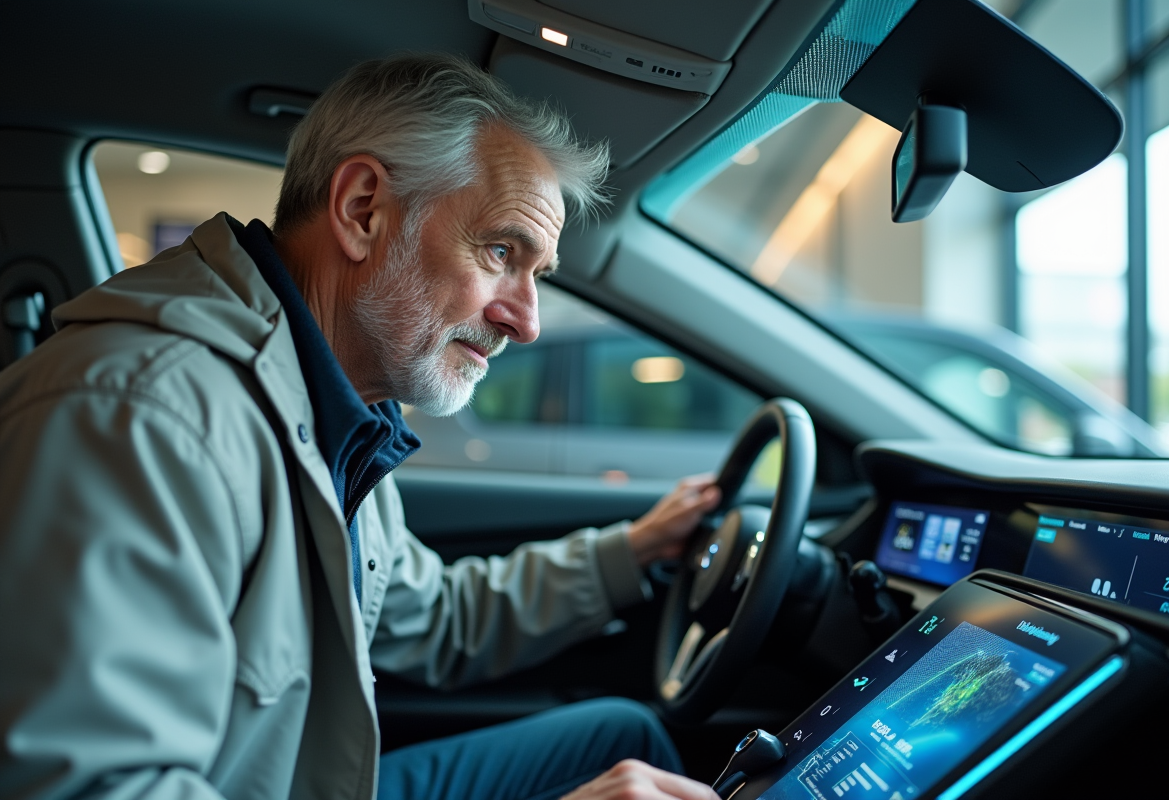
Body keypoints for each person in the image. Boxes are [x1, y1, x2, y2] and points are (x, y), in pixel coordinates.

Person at [0, 54, 726, 800]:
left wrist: (634, 551)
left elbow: (435, 617)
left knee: (621, 737)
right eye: (501, 251)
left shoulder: (335, 408)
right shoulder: (143, 422)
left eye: (536, 273)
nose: (528, 320)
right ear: (363, 211)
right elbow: (93, 786)